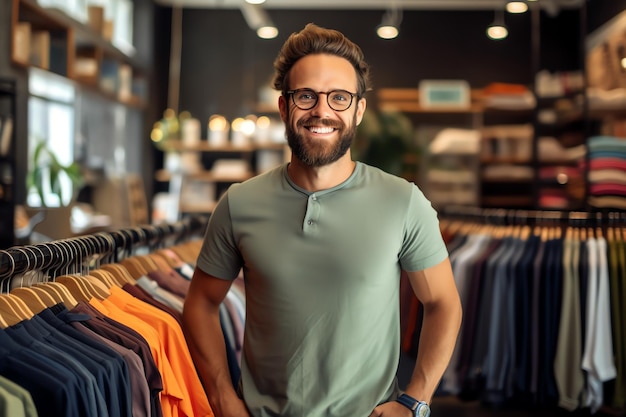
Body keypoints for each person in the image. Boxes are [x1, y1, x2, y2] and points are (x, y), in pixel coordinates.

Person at [182, 23, 463, 417]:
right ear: (284, 107)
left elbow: (443, 303)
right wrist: (223, 398)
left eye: (339, 98)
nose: (322, 111)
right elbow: (200, 303)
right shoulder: (239, 203)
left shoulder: (403, 202)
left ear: (358, 110)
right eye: (306, 96)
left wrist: (416, 399)